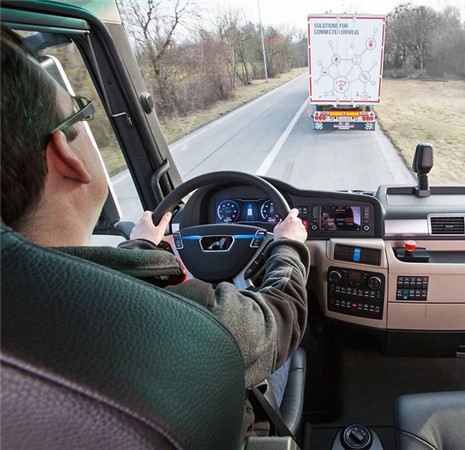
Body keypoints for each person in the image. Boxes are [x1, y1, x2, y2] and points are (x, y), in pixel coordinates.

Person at [0, 26, 309, 436]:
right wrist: (287, 246)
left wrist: (142, 247)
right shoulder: (166, 315)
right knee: (298, 350)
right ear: (65, 154)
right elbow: (275, 323)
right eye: (81, 114)